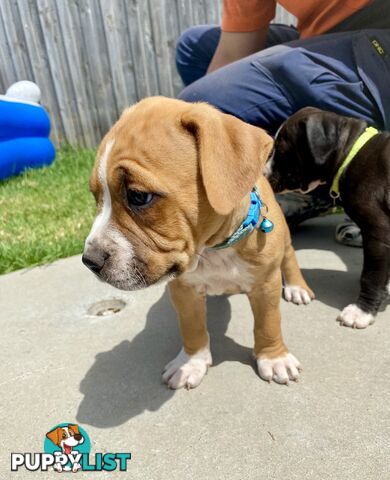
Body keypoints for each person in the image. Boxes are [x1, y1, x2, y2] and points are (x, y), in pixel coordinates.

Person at [175, 0, 390, 242]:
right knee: (195, 48)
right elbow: (233, 50)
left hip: (380, 36)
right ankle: (317, 191)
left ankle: (372, 190)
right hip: (324, 36)